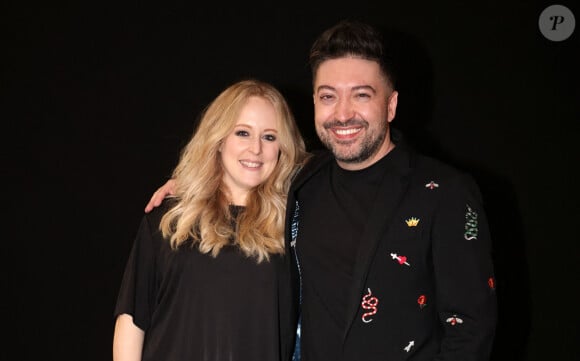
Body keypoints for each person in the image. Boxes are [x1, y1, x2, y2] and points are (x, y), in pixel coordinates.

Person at [146, 20, 497, 360]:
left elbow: (469, 332)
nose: (343, 114)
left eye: (361, 96)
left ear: (390, 105)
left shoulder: (445, 193)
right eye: (328, 96)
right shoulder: (301, 179)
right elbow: (247, 172)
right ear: (314, 101)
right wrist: (192, 185)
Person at [113, 79, 308, 361]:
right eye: (242, 133)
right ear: (218, 140)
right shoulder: (170, 219)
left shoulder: (296, 227)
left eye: (269, 137)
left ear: (283, 147)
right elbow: (132, 320)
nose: (256, 149)